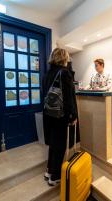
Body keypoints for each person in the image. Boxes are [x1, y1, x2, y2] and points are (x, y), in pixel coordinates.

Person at [42, 48, 79, 186]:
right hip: (60, 114)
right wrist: (73, 115)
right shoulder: (64, 73)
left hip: (48, 113)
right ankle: (55, 176)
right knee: (60, 145)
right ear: (64, 58)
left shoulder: (47, 74)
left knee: (53, 143)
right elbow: (69, 98)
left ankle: (49, 171)